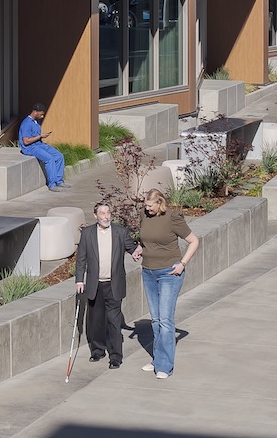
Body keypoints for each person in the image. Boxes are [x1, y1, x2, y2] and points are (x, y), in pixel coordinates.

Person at [129, 188, 200, 379]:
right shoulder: (145, 215)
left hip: (169, 273)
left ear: (159, 203)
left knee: (166, 321)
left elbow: (194, 241)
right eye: (145, 205)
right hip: (148, 272)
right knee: (156, 319)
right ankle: (157, 359)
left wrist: (182, 264)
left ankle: (165, 366)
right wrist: (139, 249)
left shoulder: (172, 218)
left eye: (150, 206)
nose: (146, 209)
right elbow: (147, 241)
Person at [73, 196, 132, 367]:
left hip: (114, 284)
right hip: (95, 284)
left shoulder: (121, 232)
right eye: (102, 213)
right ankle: (97, 351)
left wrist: (138, 251)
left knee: (114, 321)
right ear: (95, 216)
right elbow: (81, 259)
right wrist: (79, 280)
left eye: (108, 213)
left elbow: (132, 248)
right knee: (96, 320)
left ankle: (115, 357)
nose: (106, 216)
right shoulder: (87, 233)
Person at [18, 107, 66, 189]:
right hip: (30, 147)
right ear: (35, 112)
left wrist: (42, 136)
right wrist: (40, 136)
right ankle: (52, 184)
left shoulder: (36, 122)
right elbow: (26, 141)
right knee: (49, 159)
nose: (42, 116)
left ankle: (59, 181)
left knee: (59, 156)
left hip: (39, 144)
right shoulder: (26, 123)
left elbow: (35, 136)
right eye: (41, 114)